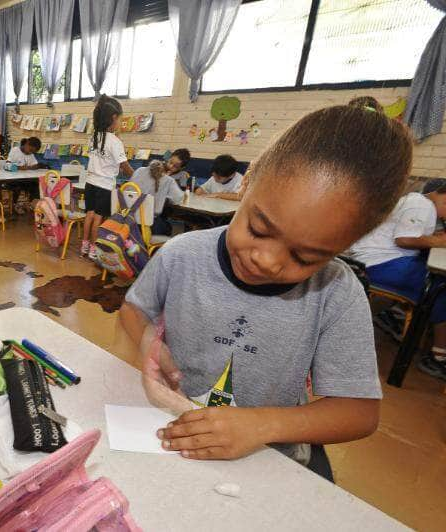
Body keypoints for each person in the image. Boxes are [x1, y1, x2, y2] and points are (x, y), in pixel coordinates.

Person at [119, 105, 411, 480]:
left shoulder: (337, 294)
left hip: (267, 460)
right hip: (172, 436)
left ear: (348, 244)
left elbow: (359, 413)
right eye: (258, 229)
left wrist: (261, 426)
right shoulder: (181, 255)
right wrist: (150, 343)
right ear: (248, 180)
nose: (267, 261)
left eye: (305, 257)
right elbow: (133, 309)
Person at [349, 178, 446, 381]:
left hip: (376, 260)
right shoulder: (422, 205)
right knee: (439, 287)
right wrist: (439, 241)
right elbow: (404, 239)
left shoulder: (419, 202)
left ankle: (391, 315)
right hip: (379, 264)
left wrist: (434, 236)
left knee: (435, 281)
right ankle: (438, 356)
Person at [81, 95, 134, 259]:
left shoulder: (94, 137)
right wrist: (137, 177)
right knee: (98, 217)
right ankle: (94, 250)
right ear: (114, 118)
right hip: (104, 186)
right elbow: (124, 167)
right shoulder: (115, 141)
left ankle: (85, 246)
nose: (120, 122)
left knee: (89, 214)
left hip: (90, 183)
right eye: (120, 119)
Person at [130, 160, 183, 236]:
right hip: (149, 225)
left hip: (128, 219)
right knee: (169, 227)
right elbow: (178, 199)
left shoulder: (139, 170)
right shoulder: (168, 180)